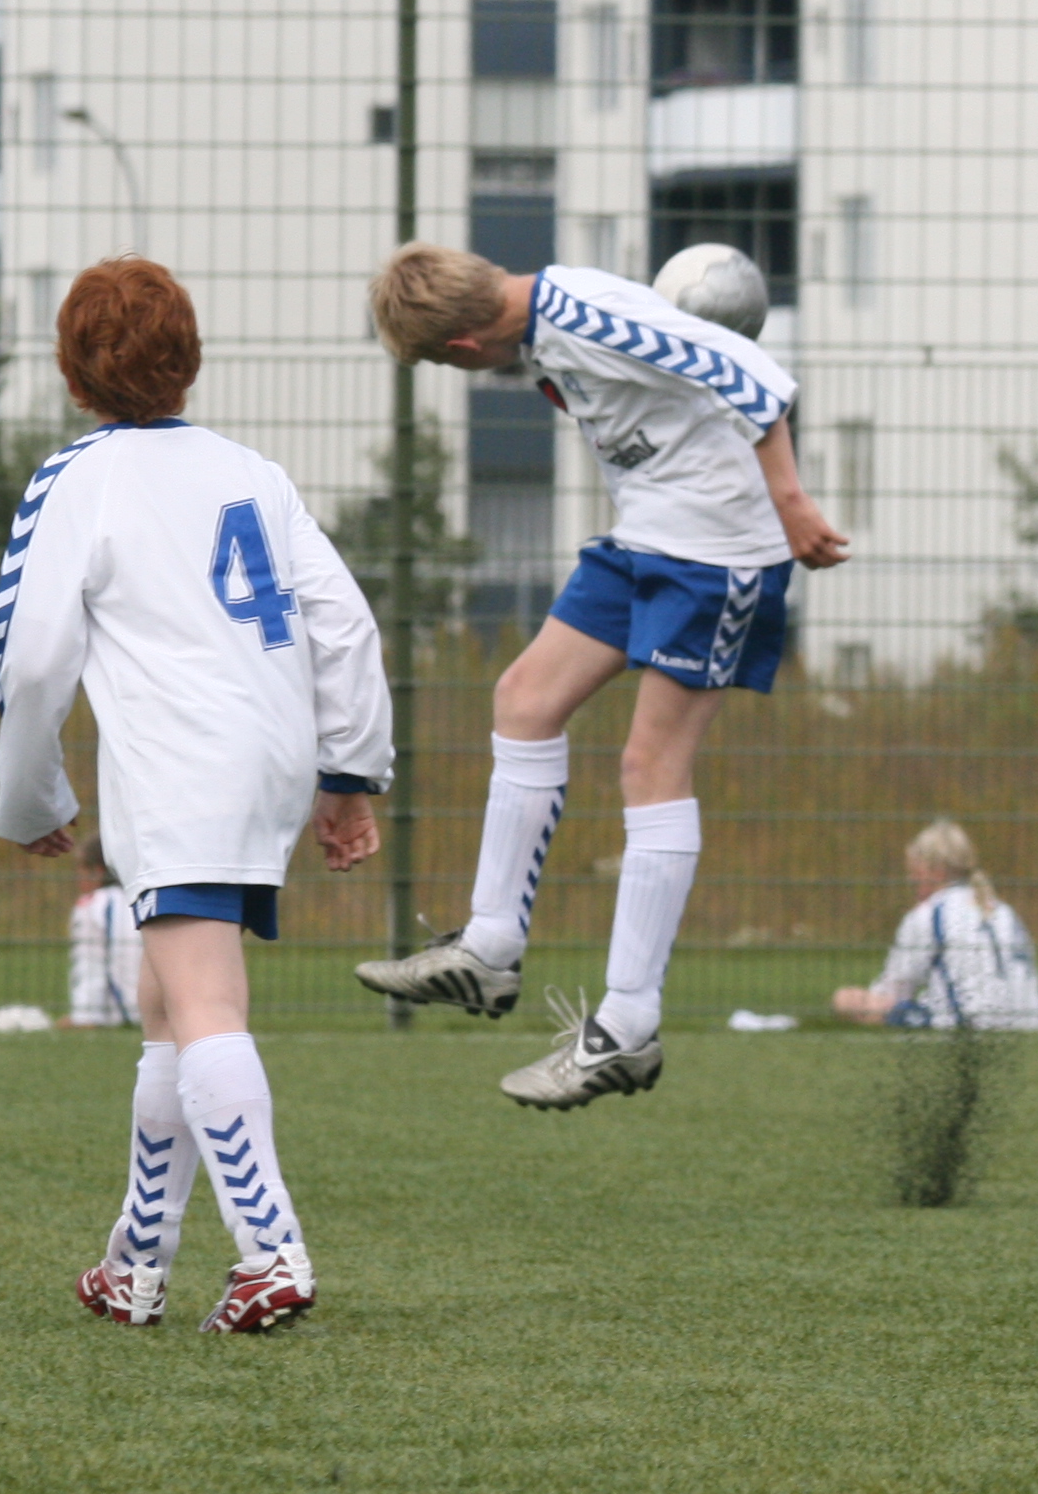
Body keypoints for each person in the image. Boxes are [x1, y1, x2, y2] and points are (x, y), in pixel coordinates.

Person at [0, 257, 390, 1335]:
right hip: (268, 756)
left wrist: (31, 794)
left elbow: (30, 657)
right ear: (190, 361)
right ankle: (137, 1261)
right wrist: (348, 775)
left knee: (203, 1001)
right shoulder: (254, 473)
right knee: (165, 1006)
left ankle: (272, 1252)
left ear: (73, 374)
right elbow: (344, 625)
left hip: (181, 767)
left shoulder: (78, 477)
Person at [353, 241, 850, 1107]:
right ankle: (489, 949)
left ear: (464, 347)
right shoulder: (539, 335)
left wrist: (791, 502)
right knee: (523, 699)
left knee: (650, 766)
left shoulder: (586, 316)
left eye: (444, 362)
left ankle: (626, 1027)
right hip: (646, 541)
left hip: (718, 555)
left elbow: (753, 376)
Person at [832, 819, 1038, 1031]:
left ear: (936, 870)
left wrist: (858, 1000)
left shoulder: (930, 914)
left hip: (972, 1029)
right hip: (1030, 1027)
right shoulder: (1004, 911)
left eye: (915, 870)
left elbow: (894, 991)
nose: (911, 879)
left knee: (847, 1001)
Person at [64, 833, 144, 1028]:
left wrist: (84, 1017)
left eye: (81, 868)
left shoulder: (93, 904)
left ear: (98, 871)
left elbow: (90, 964)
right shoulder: (144, 899)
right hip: (161, 1010)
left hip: (125, 1013)